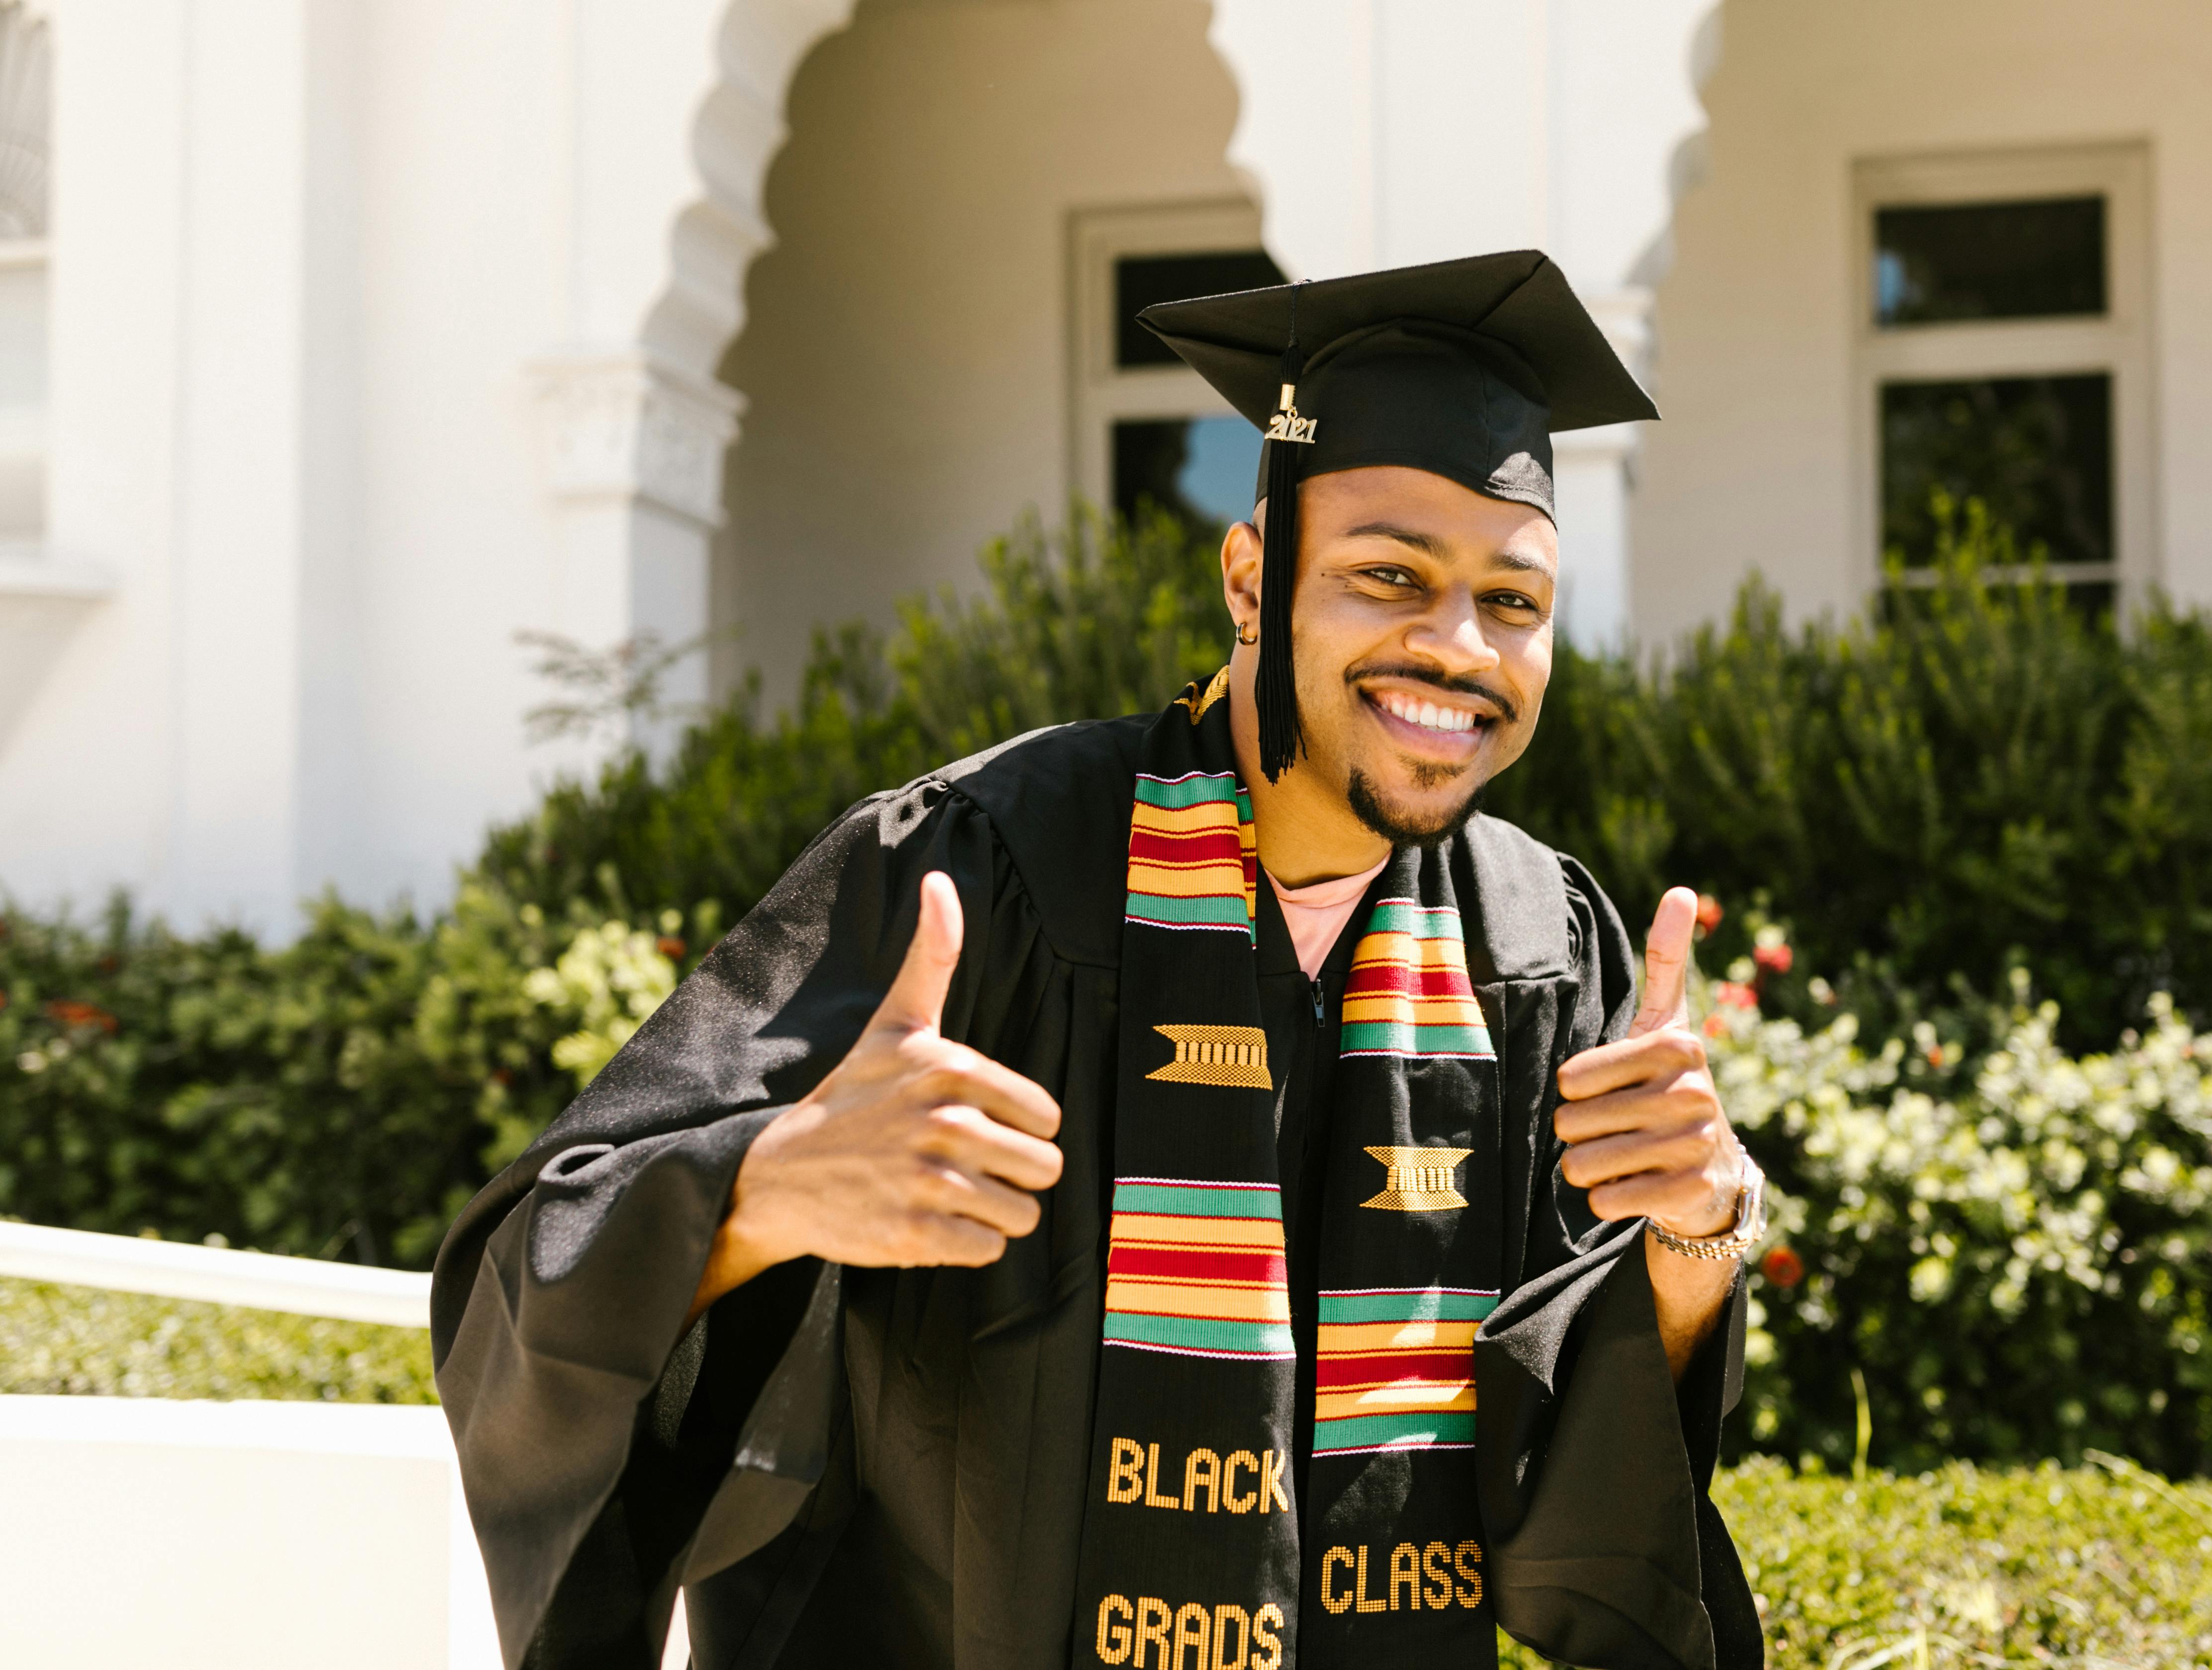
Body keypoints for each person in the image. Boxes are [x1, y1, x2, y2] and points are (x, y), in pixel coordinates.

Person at [432, 250, 1767, 1670]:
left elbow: (1585, 1487)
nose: (1457, 647)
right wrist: (764, 1190)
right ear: (1252, 579)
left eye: (1513, 602)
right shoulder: (991, 867)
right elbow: (538, 1259)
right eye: (1389, 575)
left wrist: (1690, 1246)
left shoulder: (1536, 945)